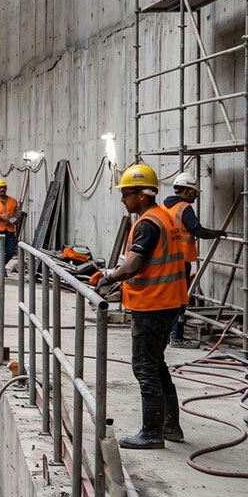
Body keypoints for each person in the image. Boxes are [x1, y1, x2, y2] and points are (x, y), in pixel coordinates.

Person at [89, 164, 188, 449]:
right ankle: (170, 426)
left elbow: (133, 265)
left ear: (142, 195)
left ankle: (152, 433)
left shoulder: (147, 223)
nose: (122, 199)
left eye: (126, 194)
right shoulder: (164, 217)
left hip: (152, 305)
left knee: (145, 368)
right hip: (168, 302)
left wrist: (109, 275)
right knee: (157, 365)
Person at [164, 171, 225, 347]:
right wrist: (216, 234)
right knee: (181, 298)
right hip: (181, 259)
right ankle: (176, 337)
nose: (196, 196)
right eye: (195, 192)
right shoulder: (184, 208)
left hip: (167, 259)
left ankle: (168, 334)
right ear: (188, 191)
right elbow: (197, 230)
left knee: (170, 298)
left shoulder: (165, 206)